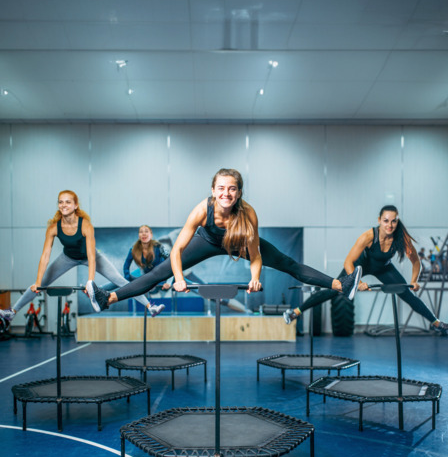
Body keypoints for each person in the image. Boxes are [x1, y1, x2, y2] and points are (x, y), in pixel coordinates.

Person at [85, 168, 362, 312]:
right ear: (213, 190)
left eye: (232, 189)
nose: (226, 193)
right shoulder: (201, 209)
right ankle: (108, 297)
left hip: (238, 243)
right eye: (221, 188)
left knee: (287, 263)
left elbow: (255, 256)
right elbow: (177, 250)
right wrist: (179, 278)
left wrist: (254, 278)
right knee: (159, 273)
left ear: (239, 193)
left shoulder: (248, 213)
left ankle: (341, 285)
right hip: (206, 240)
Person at [0, 190, 164, 327]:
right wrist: (37, 281)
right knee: (39, 284)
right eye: (61, 202)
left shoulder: (85, 225)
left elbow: (91, 256)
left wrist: (90, 282)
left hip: (91, 256)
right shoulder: (53, 228)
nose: (63, 205)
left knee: (120, 280)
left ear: (75, 205)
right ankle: (11, 313)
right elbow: (45, 256)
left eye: (68, 202)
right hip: (68, 257)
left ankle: (151, 307)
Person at [283, 205, 448, 336]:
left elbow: (416, 261)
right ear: (379, 220)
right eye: (386, 221)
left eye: (393, 221)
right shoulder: (369, 236)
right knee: (333, 289)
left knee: (407, 293)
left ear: (397, 221)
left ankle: (436, 323)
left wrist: (414, 281)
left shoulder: (401, 236)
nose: (390, 225)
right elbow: (349, 261)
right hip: (361, 265)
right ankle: (295, 312)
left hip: (384, 268)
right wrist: (358, 282)